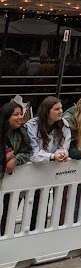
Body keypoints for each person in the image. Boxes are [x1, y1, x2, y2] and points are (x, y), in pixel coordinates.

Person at [1, 101, 30, 236]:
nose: (19, 117)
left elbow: (27, 152)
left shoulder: (22, 132)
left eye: (21, 114)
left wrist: (14, 160)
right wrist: (6, 158)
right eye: (15, 115)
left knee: (9, 210)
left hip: (11, 181)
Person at [26, 96, 71, 162]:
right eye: (57, 109)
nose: (61, 111)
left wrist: (62, 154)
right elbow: (33, 154)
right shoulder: (32, 126)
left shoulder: (64, 124)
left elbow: (64, 146)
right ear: (47, 111)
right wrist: (52, 156)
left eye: (61, 108)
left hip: (54, 167)